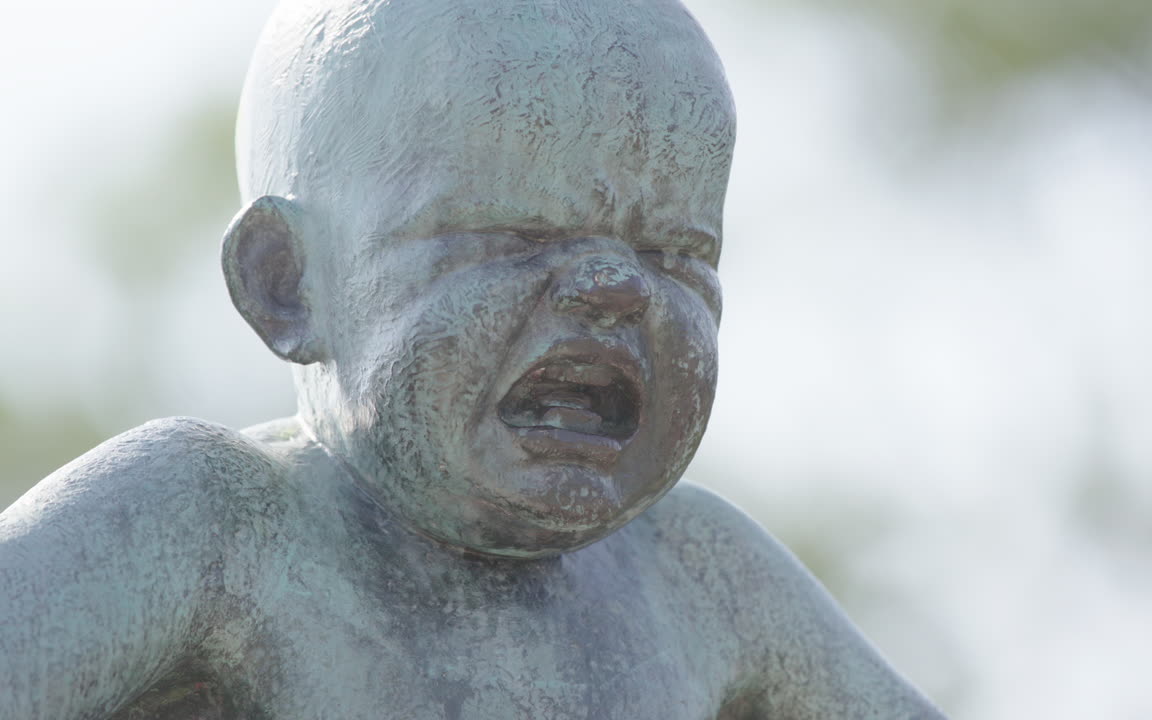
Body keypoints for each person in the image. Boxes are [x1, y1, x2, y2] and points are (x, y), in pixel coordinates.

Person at [0, 0, 946, 717]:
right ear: (286, 283)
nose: (616, 287)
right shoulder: (216, 528)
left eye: (678, 254)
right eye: (512, 236)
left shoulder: (700, 578)